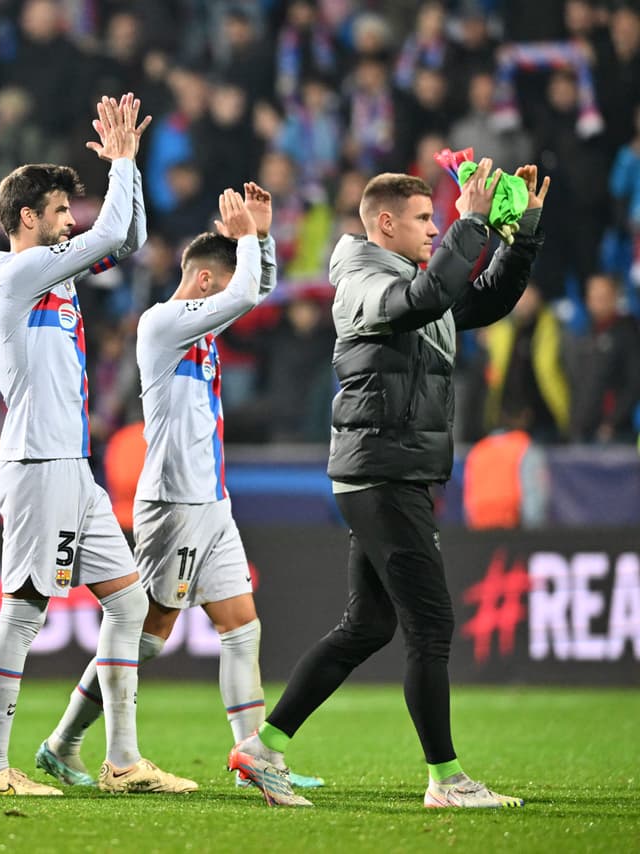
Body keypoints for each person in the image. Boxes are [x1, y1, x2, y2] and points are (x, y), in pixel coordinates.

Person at [229, 160, 550, 808]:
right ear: (384, 223)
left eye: (438, 219)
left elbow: (478, 299)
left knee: (369, 626)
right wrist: (473, 221)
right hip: (382, 468)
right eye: (426, 219)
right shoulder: (361, 278)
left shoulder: (407, 273)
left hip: (390, 467)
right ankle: (446, 780)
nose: (437, 228)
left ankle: (263, 748)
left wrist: (522, 239)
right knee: (431, 626)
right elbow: (426, 300)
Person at [36, 183, 323, 792]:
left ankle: (253, 761)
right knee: (148, 635)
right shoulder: (164, 323)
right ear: (201, 284)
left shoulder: (202, 324)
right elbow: (245, 289)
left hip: (211, 501)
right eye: (221, 290)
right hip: (174, 502)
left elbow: (255, 289)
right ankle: (65, 740)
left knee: (242, 626)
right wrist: (248, 242)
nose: (231, 305)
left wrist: (262, 239)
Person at [0, 94, 195, 796]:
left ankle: (123, 761)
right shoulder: (16, 273)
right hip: (38, 464)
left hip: (73, 467)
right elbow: (110, 236)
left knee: (129, 606)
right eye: (63, 210)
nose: (74, 219)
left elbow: (125, 240)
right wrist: (126, 163)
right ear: (28, 218)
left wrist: (128, 175)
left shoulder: (55, 273)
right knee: (24, 612)